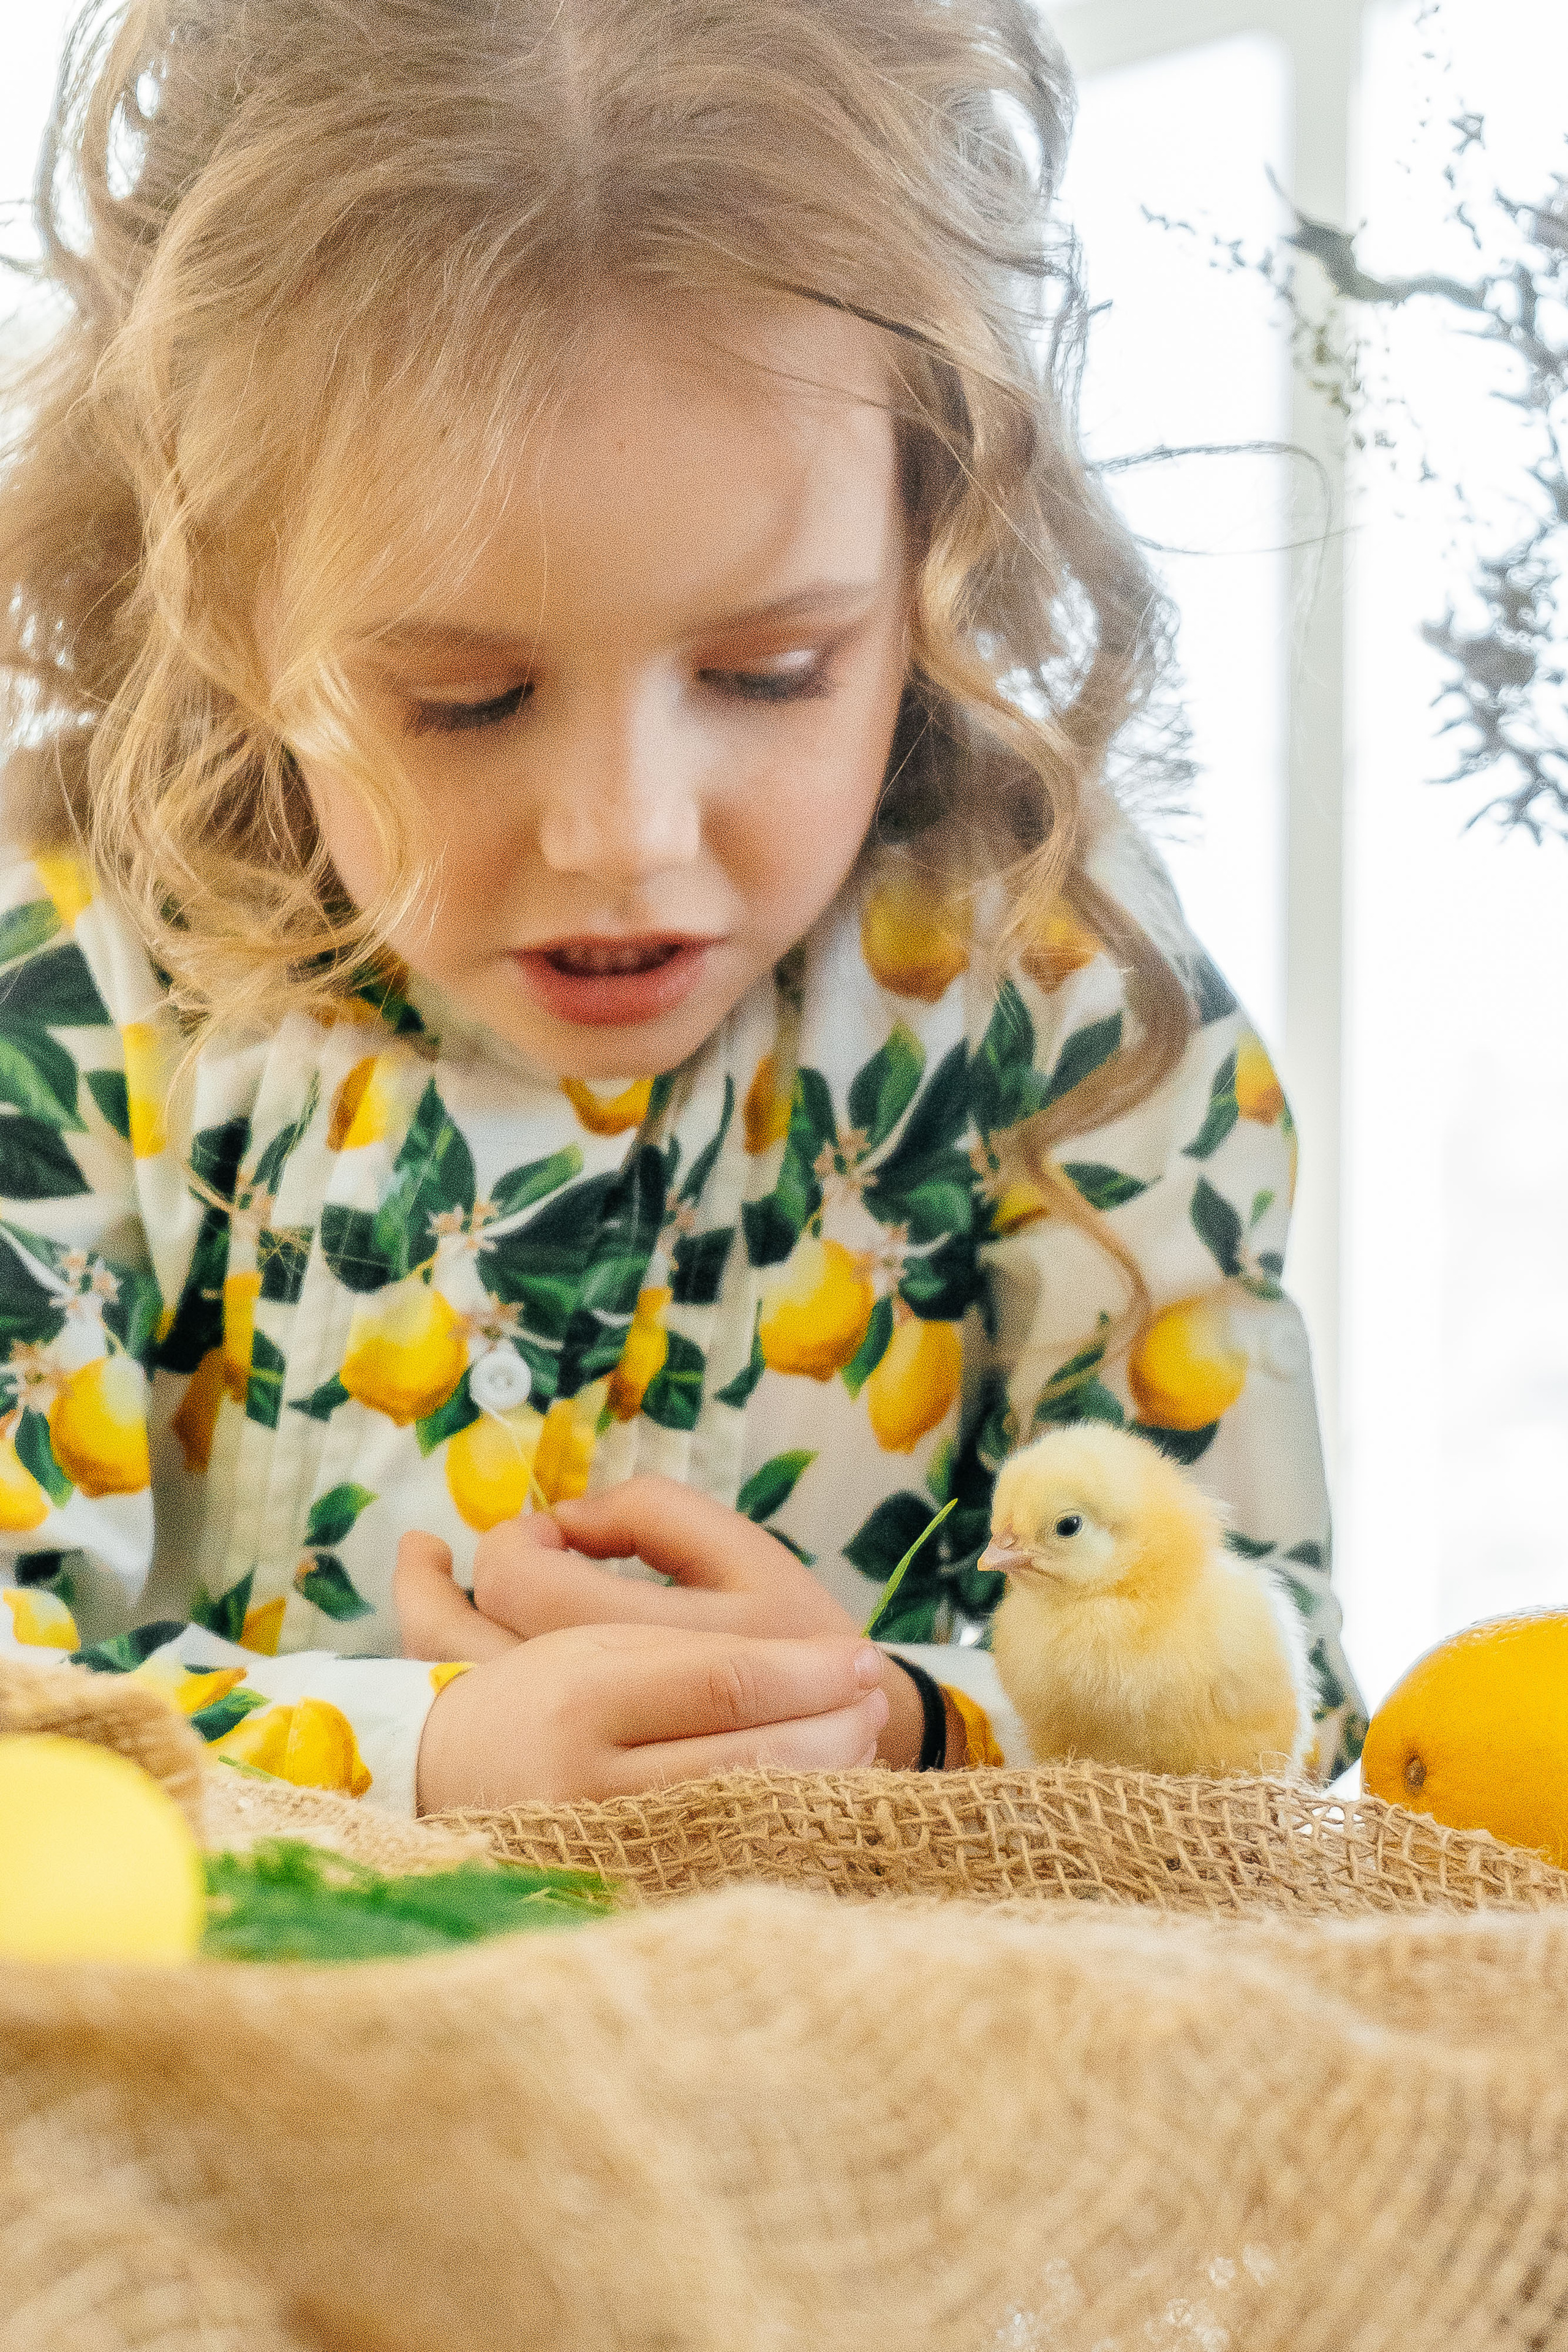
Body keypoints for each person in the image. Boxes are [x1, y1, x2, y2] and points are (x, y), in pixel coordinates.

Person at [0, 0, 1363, 1815]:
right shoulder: (68, 954)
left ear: (939, 541)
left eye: (776, 668)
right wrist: (420, 1755)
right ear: (226, 606)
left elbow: (1274, 1694)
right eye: (462, 699)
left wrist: (880, 1714)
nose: (625, 836)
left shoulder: (1045, 958)